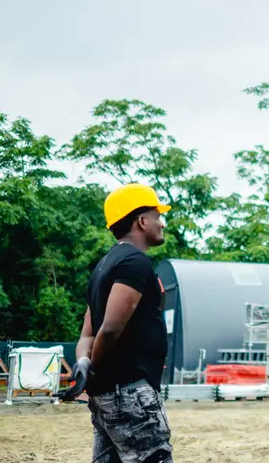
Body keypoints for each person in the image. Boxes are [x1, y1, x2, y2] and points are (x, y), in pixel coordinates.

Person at [54, 182, 175, 463]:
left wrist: (84, 364)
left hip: (108, 397)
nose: (162, 222)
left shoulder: (102, 266)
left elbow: (88, 334)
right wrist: (92, 369)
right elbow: (109, 329)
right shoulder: (135, 262)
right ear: (142, 221)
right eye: (158, 215)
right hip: (130, 394)